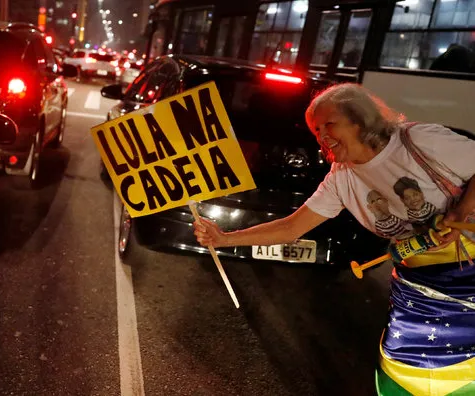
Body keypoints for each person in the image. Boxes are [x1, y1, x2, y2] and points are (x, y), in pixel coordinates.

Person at [193, 83, 475, 395]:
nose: (322, 135)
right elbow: (292, 228)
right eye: (316, 129)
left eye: (329, 124)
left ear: (359, 120)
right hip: (419, 289)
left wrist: (462, 211)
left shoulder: (417, 141)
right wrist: (223, 239)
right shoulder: (342, 178)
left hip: (470, 274)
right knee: (408, 372)